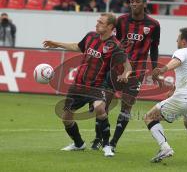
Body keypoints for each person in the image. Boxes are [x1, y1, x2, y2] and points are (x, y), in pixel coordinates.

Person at [43, 13, 132, 157]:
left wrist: (124, 75)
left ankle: (106, 145)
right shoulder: (90, 36)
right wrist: (57, 44)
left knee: (99, 107)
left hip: (97, 85)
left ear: (110, 27)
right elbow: (77, 46)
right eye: (97, 21)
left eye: (101, 22)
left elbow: (128, 67)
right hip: (78, 84)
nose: (97, 24)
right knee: (66, 117)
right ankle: (79, 144)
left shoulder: (115, 45)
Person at [91, 0, 160, 151]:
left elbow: (154, 47)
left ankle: (113, 142)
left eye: (137, 1)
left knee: (126, 107)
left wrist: (155, 66)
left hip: (136, 73)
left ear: (144, 4)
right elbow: (114, 42)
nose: (133, 4)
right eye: (131, 2)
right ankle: (98, 138)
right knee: (103, 104)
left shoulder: (154, 25)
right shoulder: (121, 20)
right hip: (116, 68)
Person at [144, 27, 187, 163]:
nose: (176, 40)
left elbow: (177, 62)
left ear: (183, 41)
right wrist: (174, 89)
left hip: (184, 98)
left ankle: (165, 148)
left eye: (178, 38)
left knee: (149, 117)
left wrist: (163, 69)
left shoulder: (181, 52)